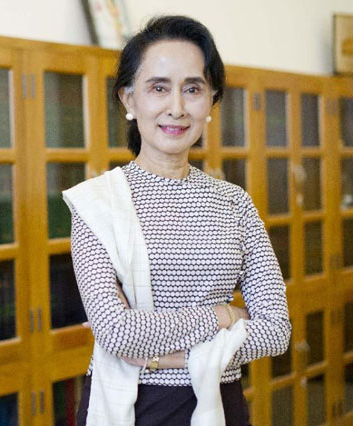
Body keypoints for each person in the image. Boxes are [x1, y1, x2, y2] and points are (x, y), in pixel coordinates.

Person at [63, 15, 291, 426]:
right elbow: (117, 333)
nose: (177, 108)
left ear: (211, 102)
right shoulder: (96, 204)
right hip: (128, 406)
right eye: (158, 88)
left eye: (193, 89)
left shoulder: (235, 203)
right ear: (129, 100)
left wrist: (167, 356)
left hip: (219, 405)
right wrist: (225, 315)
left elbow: (276, 331)